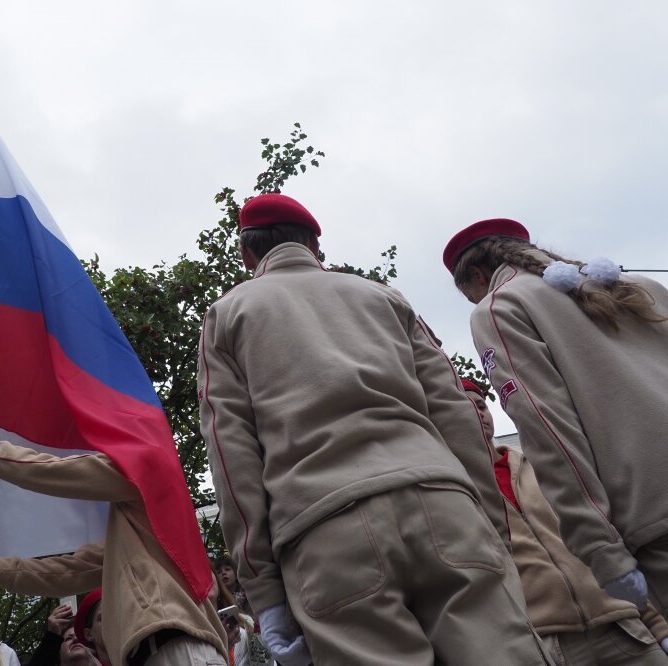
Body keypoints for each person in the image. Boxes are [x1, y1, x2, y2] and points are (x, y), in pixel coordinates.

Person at [198, 192, 550, 665]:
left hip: (323, 525)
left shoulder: (225, 316)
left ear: (247, 254)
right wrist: (487, 521)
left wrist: (263, 589)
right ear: (314, 246)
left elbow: (230, 456)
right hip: (442, 502)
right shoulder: (382, 296)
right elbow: (454, 410)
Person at [443, 218, 668, 614]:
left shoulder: (500, 307)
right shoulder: (637, 286)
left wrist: (601, 550)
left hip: (656, 516)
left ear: (477, 275)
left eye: (471, 294)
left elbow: (548, 430)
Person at [0, 417, 229, 666]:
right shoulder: (134, 536)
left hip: (177, 648)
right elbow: (67, 572)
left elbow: (61, 472)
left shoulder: (148, 462)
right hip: (158, 651)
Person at [462, 378, 668, 664]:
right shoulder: (461, 491)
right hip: (548, 646)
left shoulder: (542, 467)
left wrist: (657, 623)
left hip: (624, 626)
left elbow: (604, 533)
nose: (478, 414)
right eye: (465, 406)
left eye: (481, 405)